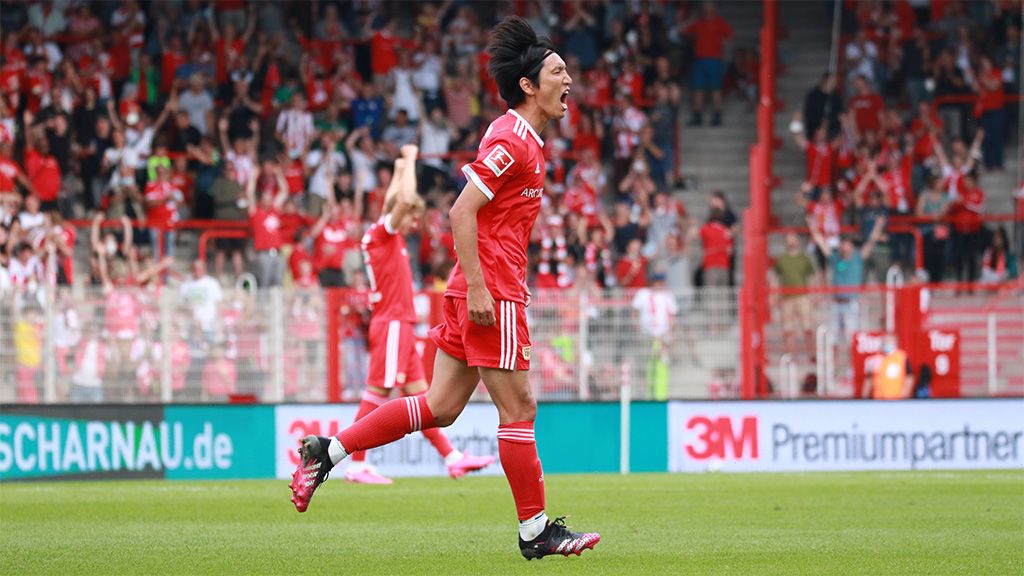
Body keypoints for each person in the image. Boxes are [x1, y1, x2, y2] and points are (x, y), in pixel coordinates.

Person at [290, 16, 600, 560]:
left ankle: (328, 452)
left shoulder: (525, 139)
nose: (567, 79)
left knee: (438, 406)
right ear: (528, 85)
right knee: (519, 408)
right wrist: (480, 289)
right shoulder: (513, 139)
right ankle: (536, 532)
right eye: (557, 71)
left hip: (478, 287)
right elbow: (461, 212)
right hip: (492, 290)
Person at [342, 145, 496, 485]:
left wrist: (398, 170)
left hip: (400, 323)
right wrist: (410, 159)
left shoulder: (383, 236)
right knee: (379, 390)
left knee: (424, 398)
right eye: (411, 217)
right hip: (392, 322)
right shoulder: (383, 235)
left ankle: (452, 457)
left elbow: (397, 199)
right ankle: (356, 462)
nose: (413, 222)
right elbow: (405, 201)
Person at [808, 215, 885, 345]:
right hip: (836, 302)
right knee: (833, 337)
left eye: (847, 245)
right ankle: (834, 362)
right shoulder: (835, 258)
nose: (844, 247)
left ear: (851, 246)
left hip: (851, 302)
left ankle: (852, 363)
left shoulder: (858, 257)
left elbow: (871, 241)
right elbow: (821, 244)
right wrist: (812, 228)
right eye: (842, 244)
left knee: (852, 336)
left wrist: (878, 226)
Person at [772, 233, 817, 357]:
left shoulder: (804, 258)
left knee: (807, 327)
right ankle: (790, 355)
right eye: (789, 240)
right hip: (786, 299)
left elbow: (812, 277)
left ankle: (812, 354)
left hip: (803, 297)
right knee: (788, 329)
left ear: (797, 241)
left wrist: (813, 296)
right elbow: (775, 278)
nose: (791, 242)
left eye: (793, 240)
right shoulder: (781, 259)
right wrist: (774, 296)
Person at [863, 334, 913, 400]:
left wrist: (905, 393)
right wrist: (864, 397)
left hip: (896, 398)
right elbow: (869, 379)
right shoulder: (876, 358)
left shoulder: (902, 357)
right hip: (878, 398)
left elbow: (909, 377)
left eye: (889, 342)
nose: (886, 345)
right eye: (884, 342)